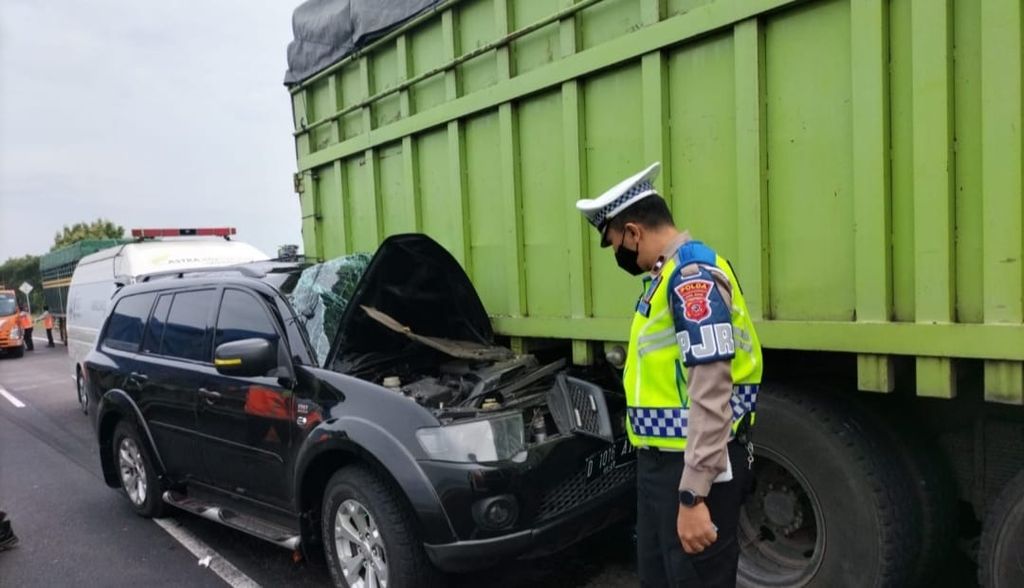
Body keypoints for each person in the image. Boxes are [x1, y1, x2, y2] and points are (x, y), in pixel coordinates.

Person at [576, 162, 763, 587]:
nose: (617, 255)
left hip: (697, 466)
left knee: (694, 578)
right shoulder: (665, 278)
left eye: (614, 243)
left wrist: (693, 493)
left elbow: (712, 387)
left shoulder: (690, 279)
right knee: (661, 575)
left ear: (634, 232)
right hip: (663, 463)